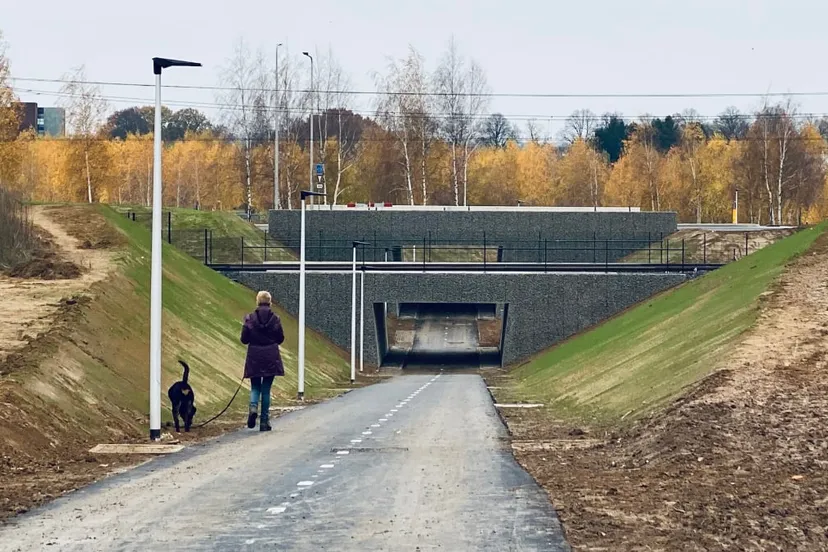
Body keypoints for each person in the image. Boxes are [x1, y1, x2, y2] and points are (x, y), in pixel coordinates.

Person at [241, 291, 285, 431]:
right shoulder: (276, 319)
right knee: (266, 390)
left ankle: (253, 407)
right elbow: (280, 338)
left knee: (255, 387)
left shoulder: (249, 319)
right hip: (271, 357)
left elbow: (244, 339)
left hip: (254, 356)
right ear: (270, 302)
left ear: (257, 301)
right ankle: (264, 422)